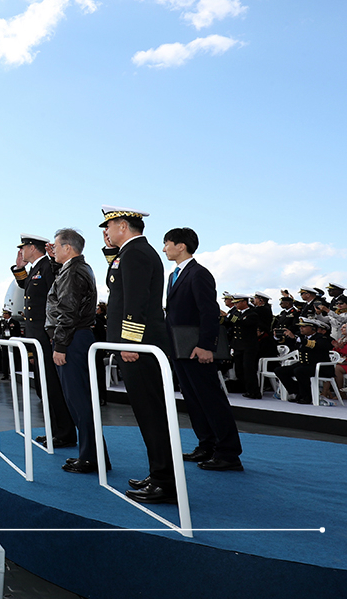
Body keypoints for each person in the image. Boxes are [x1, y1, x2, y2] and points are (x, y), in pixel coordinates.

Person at [100, 206, 174, 504]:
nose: (105, 232)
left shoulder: (137, 253)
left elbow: (136, 300)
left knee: (151, 414)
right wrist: (110, 252)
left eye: (109, 226)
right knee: (147, 413)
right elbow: (118, 283)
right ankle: (158, 473)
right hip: (136, 345)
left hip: (138, 347)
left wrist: (130, 342)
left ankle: (164, 482)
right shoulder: (131, 253)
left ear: (123, 225)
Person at [162, 227, 243, 471]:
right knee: (194, 399)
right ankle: (206, 445)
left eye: (167, 243)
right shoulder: (174, 275)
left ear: (181, 246)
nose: (164, 248)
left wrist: (206, 346)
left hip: (197, 349)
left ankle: (228, 453)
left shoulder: (198, 274)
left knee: (211, 399)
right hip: (180, 348)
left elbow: (209, 312)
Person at [45, 228, 106, 474]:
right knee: (79, 401)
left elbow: (67, 312)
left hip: (72, 340)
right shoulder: (78, 267)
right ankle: (92, 454)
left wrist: (60, 345)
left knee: (78, 401)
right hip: (77, 337)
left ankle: (91, 457)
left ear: (68, 248)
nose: (54, 250)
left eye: (57, 247)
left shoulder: (73, 271)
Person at [12, 233, 76, 447]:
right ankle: (54, 430)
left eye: (24, 247)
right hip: (37, 338)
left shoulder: (48, 267)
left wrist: (55, 337)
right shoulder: (36, 270)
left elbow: (57, 299)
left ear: (33, 247)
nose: (21, 251)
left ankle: (64, 433)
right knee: (43, 386)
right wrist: (19, 268)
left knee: (52, 386)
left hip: (46, 337)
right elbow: (27, 288)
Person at [275, 317, 334, 404]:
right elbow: (291, 343)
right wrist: (278, 337)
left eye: (304, 327)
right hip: (304, 364)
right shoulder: (301, 337)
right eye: (300, 327)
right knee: (280, 370)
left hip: (319, 366)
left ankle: (306, 397)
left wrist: (295, 338)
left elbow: (314, 345)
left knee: (300, 371)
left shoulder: (322, 338)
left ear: (313, 328)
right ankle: (297, 392)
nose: (301, 329)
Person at [221, 294, 262, 398]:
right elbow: (230, 324)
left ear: (244, 302)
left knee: (248, 368)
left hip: (249, 346)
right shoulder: (237, 313)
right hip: (238, 345)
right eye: (234, 303)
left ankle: (254, 391)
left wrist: (229, 316)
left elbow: (243, 323)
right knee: (239, 369)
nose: (235, 305)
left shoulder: (252, 314)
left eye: (237, 302)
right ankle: (245, 388)